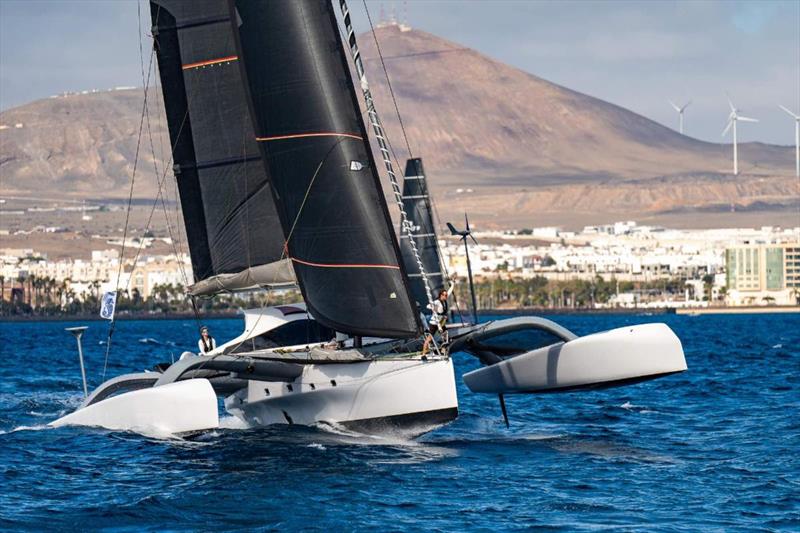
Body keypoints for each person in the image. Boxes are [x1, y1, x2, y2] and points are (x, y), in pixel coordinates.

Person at [422, 287, 452, 356]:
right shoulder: (437, 302)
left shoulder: (444, 301)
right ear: (441, 295)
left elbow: (449, 292)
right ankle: (423, 354)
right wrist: (433, 307)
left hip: (441, 322)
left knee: (446, 338)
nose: (446, 296)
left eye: (446, 295)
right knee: (429, 339)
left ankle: (442, 351)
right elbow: (428, 306)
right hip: (434, 323)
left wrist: (453, 284)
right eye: (444, 295)